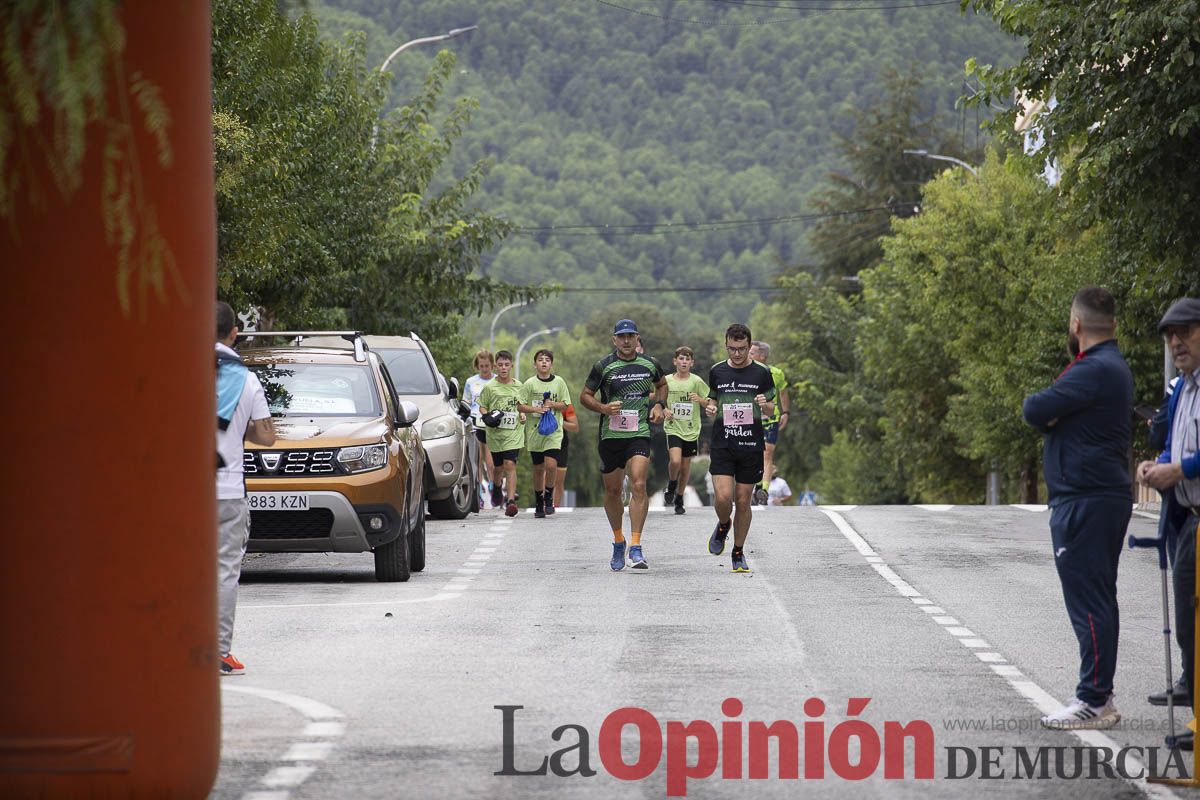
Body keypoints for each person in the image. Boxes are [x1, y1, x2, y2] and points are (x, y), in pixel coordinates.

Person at [1022, 286, 1133, 730]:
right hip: (1097, 496)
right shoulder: (1106, 368)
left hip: (1086, 498)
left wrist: (1053, 416)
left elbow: (1035, 408)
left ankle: (1094, 699)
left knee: (1089, 601)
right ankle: (1096, 692)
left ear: (1076, 325)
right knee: (1099, 598)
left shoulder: (1094, 369)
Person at [1137, 297, 1200, 748]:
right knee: (1189, 625)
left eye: (1186, 332)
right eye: (1170, 336)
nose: (1176, 342)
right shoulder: (1184, 388)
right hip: (1189, 519)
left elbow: (1190, 460)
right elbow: (1173, 444)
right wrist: (1156, 465)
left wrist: (1180, 471)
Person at [215, 301, 275, 675]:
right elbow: (267, 436)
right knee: (223, 570)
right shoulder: (246, 378)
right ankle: (219, 651)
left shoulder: (174, 368)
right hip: (227, 491)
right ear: (234, 332)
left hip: (180, 494)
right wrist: (242, 430)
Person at [580, 319, 667, 571]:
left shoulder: (649, 364)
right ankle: (619, 540)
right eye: (622, 336)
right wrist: (603, 408)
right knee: (613, 491)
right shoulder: (604, 366)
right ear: (614, 339)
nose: (627, 340)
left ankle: (636, 546)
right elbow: (584, 396)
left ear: (637, 338)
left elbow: (662, 384)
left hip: (639, 432)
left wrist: (660, 405)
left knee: (639, 483)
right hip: (610, 435)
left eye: (631, 336)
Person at [705, 323, 777, 574]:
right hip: (723, 442)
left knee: (743, 501)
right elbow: (712, 399)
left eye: (742, 349)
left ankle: (738, 551)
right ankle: (724, 524)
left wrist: (764, 404)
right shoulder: (717, 371)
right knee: (724, 498)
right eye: (732, 349)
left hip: (750, 444)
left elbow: (771, 408)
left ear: (750, 346)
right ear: (726, 345)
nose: (737, 354)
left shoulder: (761, 373)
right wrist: (710, 408)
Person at [519, 349, 571, 518]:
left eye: (547, 360)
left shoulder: (559, 382)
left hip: (553, 431)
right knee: (538, 468)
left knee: (551, 465)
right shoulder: (529, 384)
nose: (543, 362)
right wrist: (536, 409)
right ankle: (538, 501)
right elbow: (520, 405)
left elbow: (565, 404)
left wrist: (552, 405)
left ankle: (549, 497)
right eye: (540, 360)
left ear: (551, 364)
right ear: (535, 364)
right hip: (535, 432)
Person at [662, 346, 710, 515]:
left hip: (691, 429)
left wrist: (700, 400)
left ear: (692, 363)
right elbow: (660, 399)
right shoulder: (667, 380)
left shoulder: (696, 381)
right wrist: (664, 409)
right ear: (675, 361)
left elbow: (710, 402)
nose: (684, 362)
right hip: (673, 426)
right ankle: (672, 484)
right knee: (675, 461)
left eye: (687, 359)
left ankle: (680, 497)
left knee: (685, 465)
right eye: (680, 359)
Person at [479, 350, 525, 517]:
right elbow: (482, 405)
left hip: (514, 433)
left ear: (511, 366)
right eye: (500, 365)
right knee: (498, 468)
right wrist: (486, 416)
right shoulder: (490, 387)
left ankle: (511, 501)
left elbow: (523, 406)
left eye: (506, 365)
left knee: (510, 464)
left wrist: (522, 414)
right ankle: (497, 488)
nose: (503, 368)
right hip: (496, 434)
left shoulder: (520, 387)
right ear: (495, 366)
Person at [749, 341, 789, 506]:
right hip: (751, 419)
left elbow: (783, 392)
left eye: (752, 353)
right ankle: (755, 486)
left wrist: (786, 412)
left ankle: (763, 490)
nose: (748, 355)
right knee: (753, 454)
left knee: (767, 453)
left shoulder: (776, 373)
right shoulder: (745, 372)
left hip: (771, 419)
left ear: (762, 356)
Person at [463, 350, 497, 509]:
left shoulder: (497, 380)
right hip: (475, 423)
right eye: (482, 366)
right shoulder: (471, 381)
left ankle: (494, 489)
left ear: (492, 365)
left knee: (491, 462)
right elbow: (466, 401)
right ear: (477, 366)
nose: (485, 369)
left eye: (487, 366)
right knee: (476, 459)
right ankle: (478, 493)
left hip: (491, 423)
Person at [553, 406, 580, 509]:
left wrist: (559, 422)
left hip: (561, 443)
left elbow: (575, 427)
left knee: (559, 480)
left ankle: (555, 506)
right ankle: (544, 502)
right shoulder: (538, 401)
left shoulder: (565, 405)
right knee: (546, 473)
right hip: (543, 441)